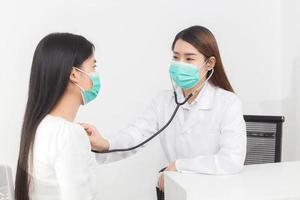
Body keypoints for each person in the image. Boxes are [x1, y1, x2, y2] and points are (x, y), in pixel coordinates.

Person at [82, 25, 247, 193]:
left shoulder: (228, 103)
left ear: (210, 63)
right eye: (176, 57)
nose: (180, 64)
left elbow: (231, 160)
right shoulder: (163, 101)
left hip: (217, 191)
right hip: (178, 190)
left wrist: (178, 166)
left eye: (189, 59)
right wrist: (104, 144)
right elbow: (137, 134)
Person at [15, 33, 100, 200]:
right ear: (74, 74)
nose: (96, 74)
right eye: (93, 67)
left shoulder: (40, 126)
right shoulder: (68, 134)